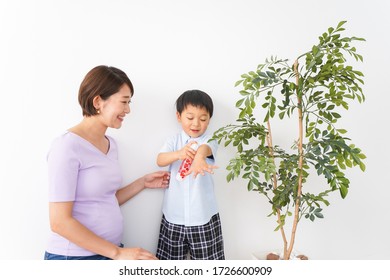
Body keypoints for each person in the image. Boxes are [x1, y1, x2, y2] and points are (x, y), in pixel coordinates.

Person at [45, 65, 170, 260]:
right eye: (124, 102)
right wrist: (118, 253)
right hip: (74, 258)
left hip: (107, 252)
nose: (128, 110)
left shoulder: (110, 145)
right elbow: (59, 222)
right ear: (98, 101)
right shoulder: (66, 146)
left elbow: (103, 200)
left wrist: (142, 183)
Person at [155, 89, 225, 260]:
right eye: (190, 117)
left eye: (203, 119)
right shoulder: (173, 141)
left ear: (209, 120)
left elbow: (205, 149)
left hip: (203, 217)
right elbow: (160, 159)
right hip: (173, 217)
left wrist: (200, 158)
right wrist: (179, 154)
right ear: (179, 117)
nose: (196, 124)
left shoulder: (210, 140)